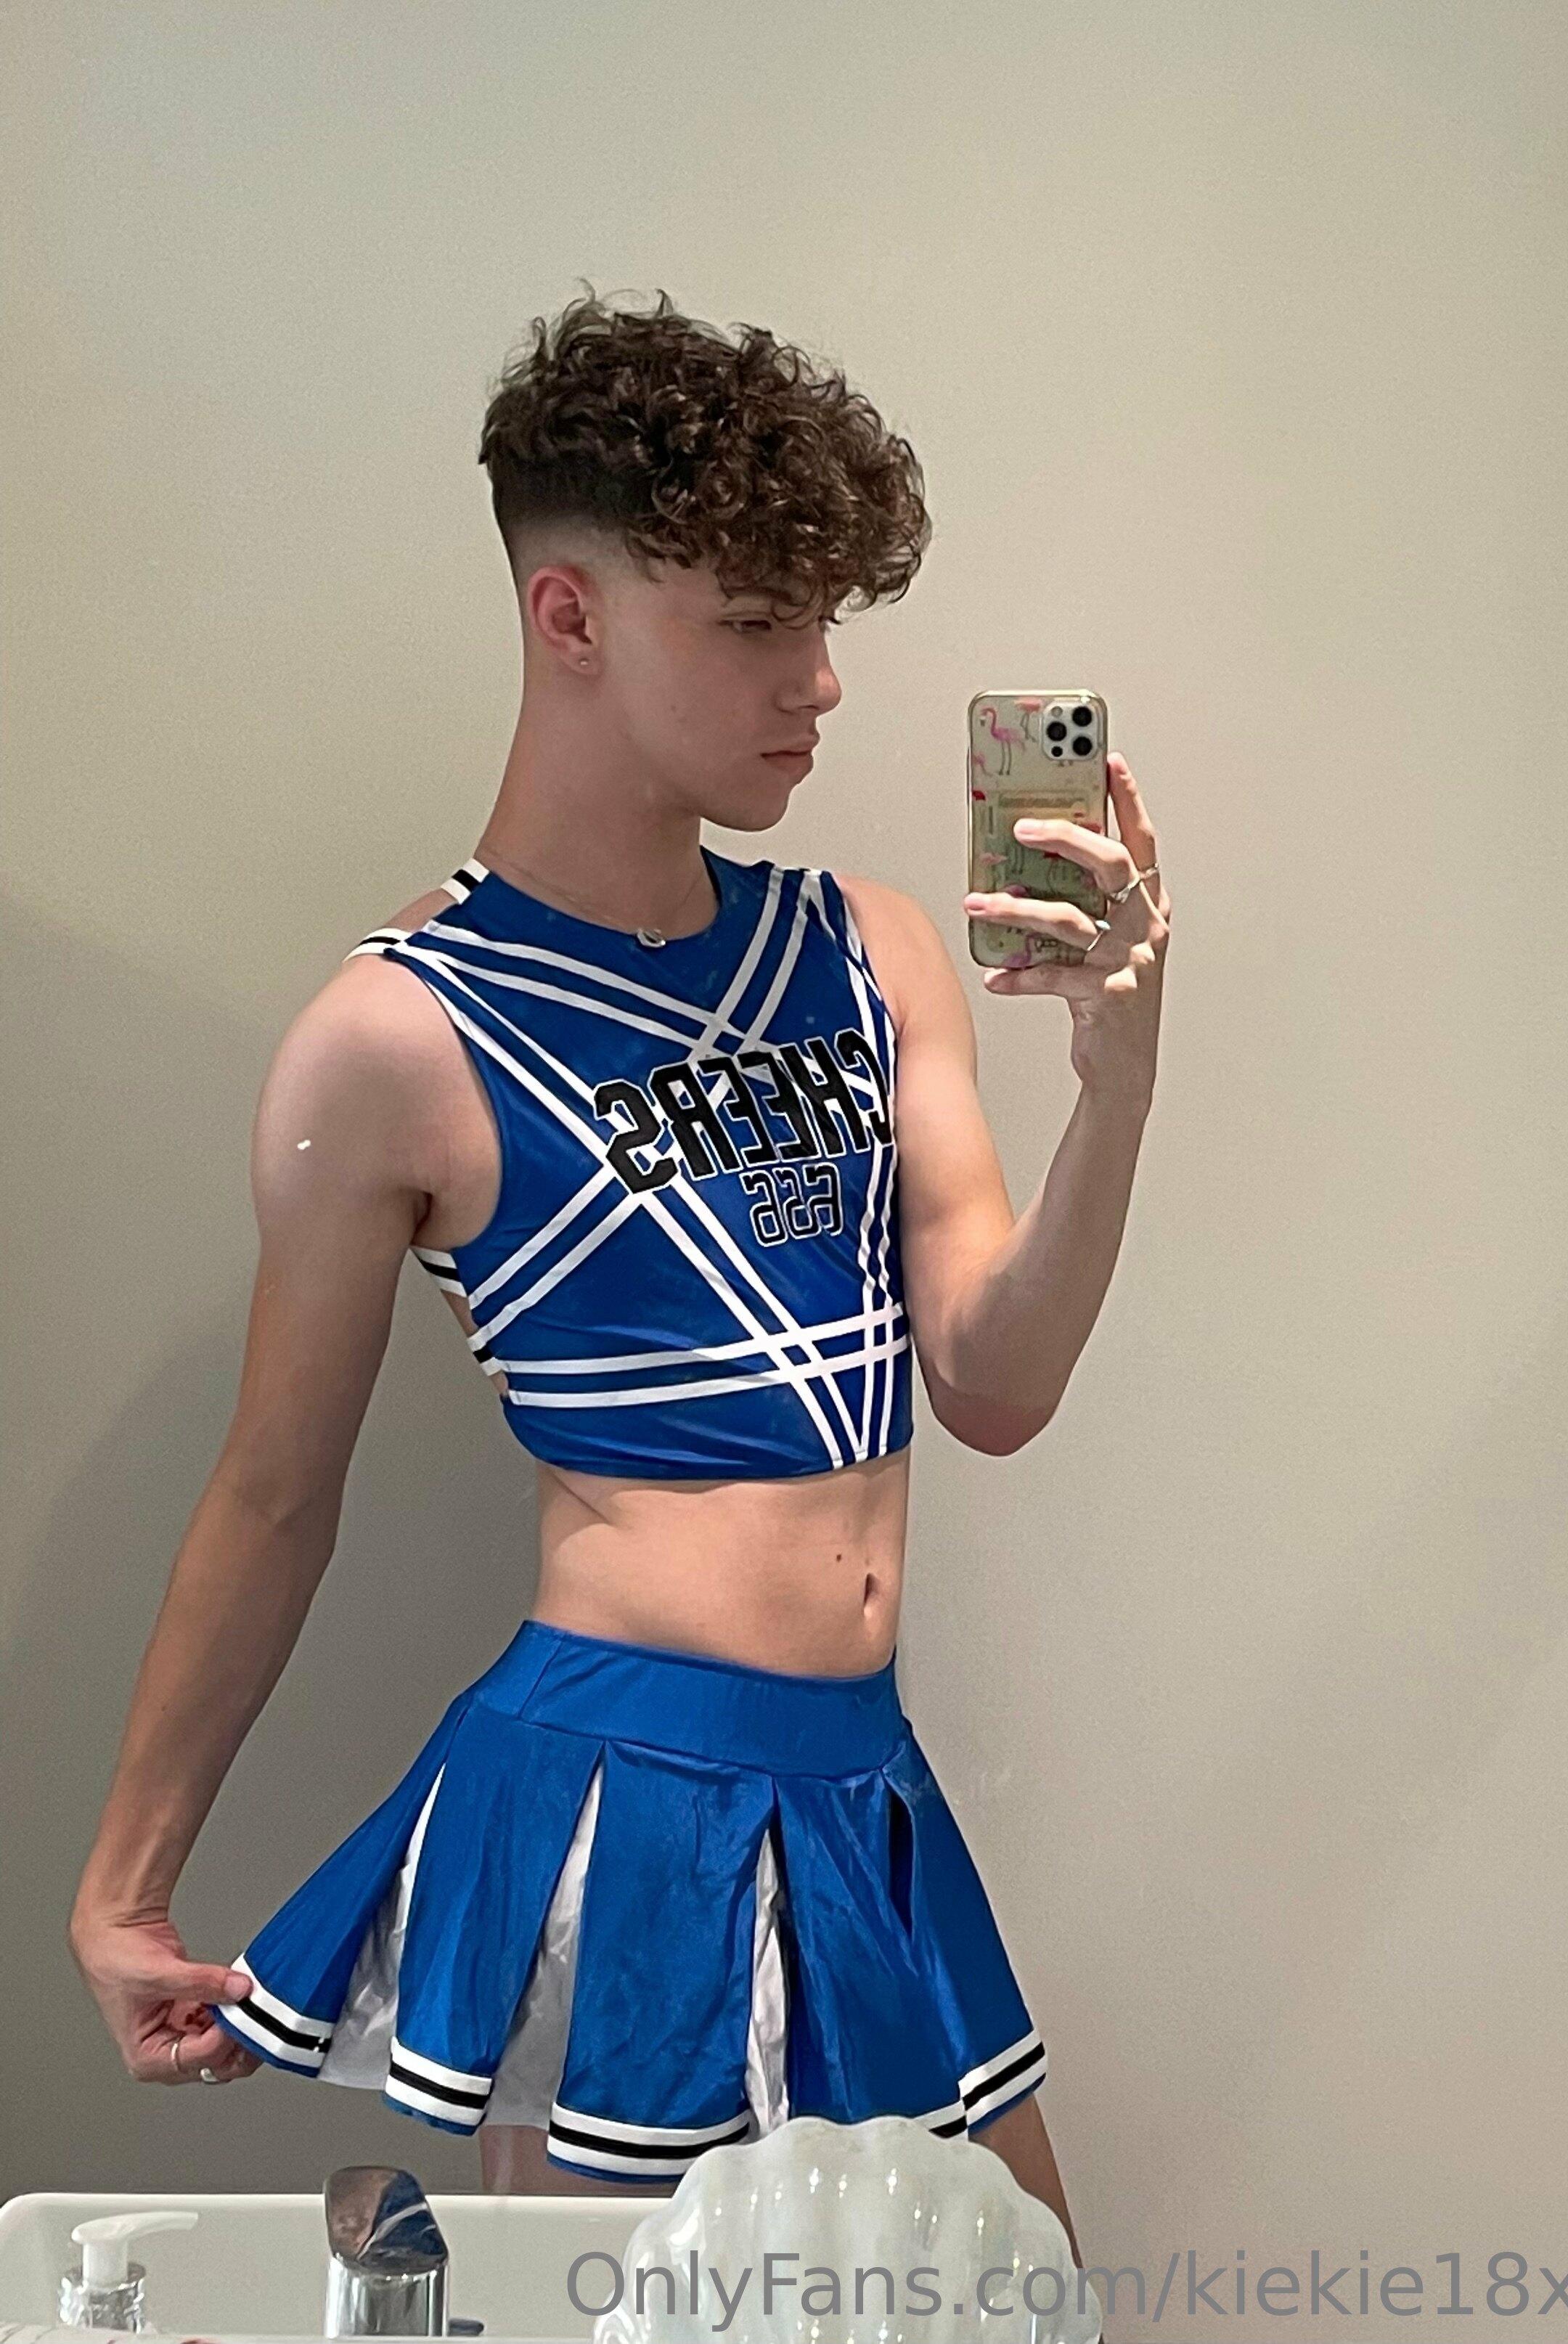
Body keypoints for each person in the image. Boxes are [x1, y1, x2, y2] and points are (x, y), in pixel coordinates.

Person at [68, 286, 1169, 2271]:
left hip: (863, 1791)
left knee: (1014, 2300)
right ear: (567, 616)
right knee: (616, 2320)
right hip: (611, 1801)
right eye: (753, 625)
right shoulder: (397, 1037)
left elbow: (993, 1381)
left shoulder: (867, 948)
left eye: (821, 624)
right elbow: (274, 1489)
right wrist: (127, 1882)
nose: (819, 684)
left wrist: (1119, 1074)